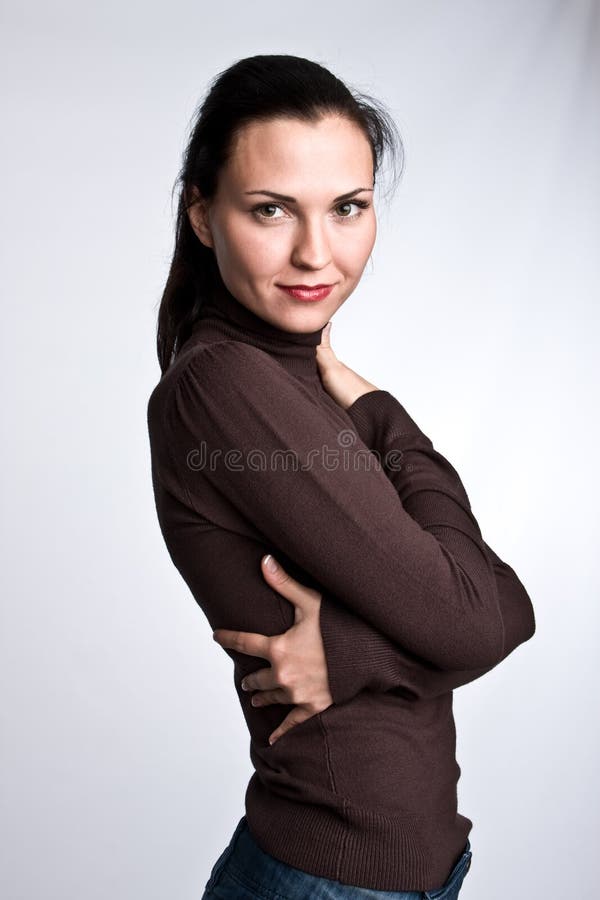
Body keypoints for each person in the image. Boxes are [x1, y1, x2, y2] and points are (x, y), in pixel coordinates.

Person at [146, 54, 536, 899]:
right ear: (204, 216)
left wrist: (348, 653)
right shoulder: (226, 385)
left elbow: (502, 611)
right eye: (270, 210)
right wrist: (385, 414)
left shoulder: (288, 378)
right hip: (326, 879)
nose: (315, 252)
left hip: (386, 875)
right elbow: (484, 618)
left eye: (348, 208)